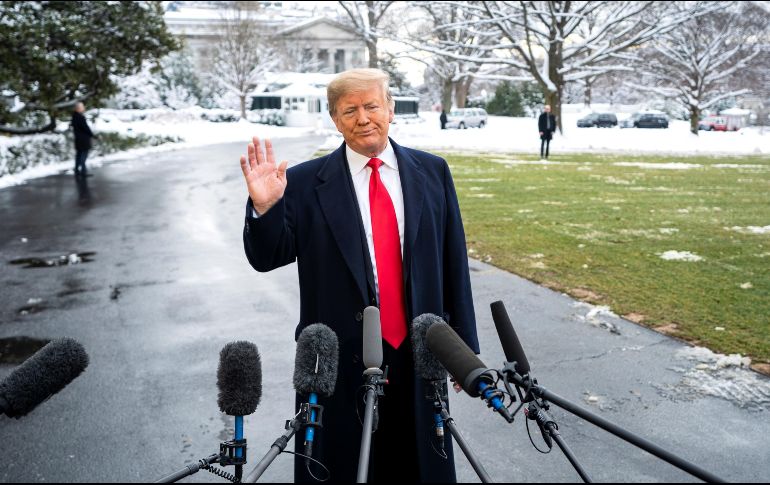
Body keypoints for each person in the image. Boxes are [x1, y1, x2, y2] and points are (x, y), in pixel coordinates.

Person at [239, 68, 479, 483]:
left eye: (372, 106)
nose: (363, 117)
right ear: (335, 119)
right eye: (349, 110)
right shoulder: (301, 183)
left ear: (390, 109)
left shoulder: (432, 171)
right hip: (336, 362)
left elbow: (452, 260)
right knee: (343, 468)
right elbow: (267, 256)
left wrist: (463, 351)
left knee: (419, 464)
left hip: (418, 353)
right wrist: (266, 210)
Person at [71, 102, 94, 177]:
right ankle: (83, 171)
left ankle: (77, 170)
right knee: (83, 155)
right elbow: (85, 128)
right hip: (83, 140)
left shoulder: (74, 117)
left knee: (79, 155)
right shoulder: (80, 117)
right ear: (79, 108)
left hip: (78, 139)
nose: (84, 108)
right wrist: (91, 134)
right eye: (82, 107)